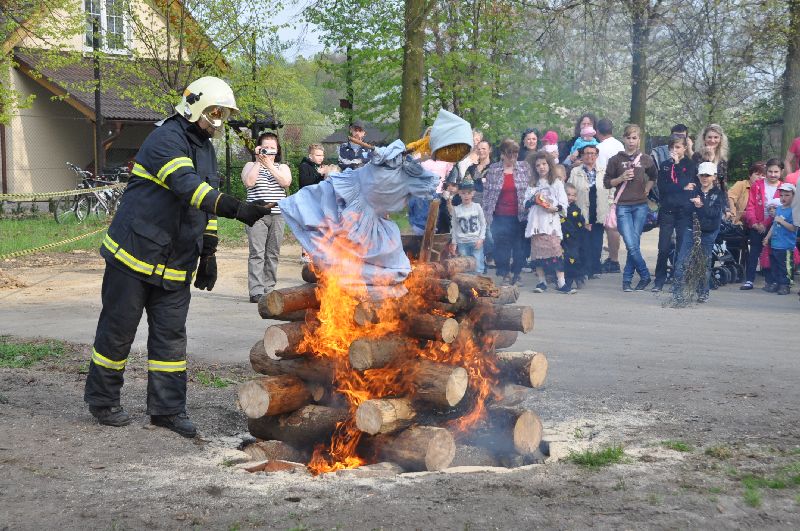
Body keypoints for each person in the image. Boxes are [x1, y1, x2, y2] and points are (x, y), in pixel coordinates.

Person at [84, 76, 272, 436]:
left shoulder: (206, 148)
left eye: (223, 114)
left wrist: (210, 251)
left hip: (176, 261)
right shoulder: (164, 139)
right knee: (117, 332)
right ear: (196, 108)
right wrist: (238, 207)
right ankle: (103, 400)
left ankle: (167, 410)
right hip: (133, 256)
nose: (219, 121)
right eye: (215, 113)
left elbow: (206, 204)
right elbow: (188, 187)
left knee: (171, 340)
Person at [604, 124, 658, 292]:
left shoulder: (646, 159)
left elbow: (654, 176)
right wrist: (621, 178)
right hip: (623, 206)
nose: (631, 141)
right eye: (628, 138)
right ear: (623, 138)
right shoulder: (615, 159)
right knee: (631, 243)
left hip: (641, 206)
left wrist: (647, 188)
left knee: (633, 243)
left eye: (635, 138)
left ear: (639, 139)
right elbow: (607, 182)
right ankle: (644, 274)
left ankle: (627, 281)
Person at [242, 132, 292, 303]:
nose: (269, 151)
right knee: (257, 253)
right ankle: (256, 291)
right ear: (258, 148)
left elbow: (285, 183)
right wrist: (258, 161)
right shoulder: (250, 164)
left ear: (277, 150)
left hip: (277, 216)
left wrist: (270, 166)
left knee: (272, 253)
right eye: (265, 147)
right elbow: (249, 182)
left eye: (272, 148)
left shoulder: (282, 167)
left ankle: (269, 289)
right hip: (256, 215)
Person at [672, 162, 724, 304]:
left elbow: (713, 214)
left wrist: (701, 206)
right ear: (698, 176)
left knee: (704, 263)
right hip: (691, 229)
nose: (705, 178)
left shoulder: (718, 194)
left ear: (714, 177)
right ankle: (677, 292)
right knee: (681, 261)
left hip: (708, 231)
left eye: (708, 175)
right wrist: (693, 203)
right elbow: (684, 210)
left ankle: (703, 291)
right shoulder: (692, 190)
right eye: (702, 175)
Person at [483, 138, 532, 285]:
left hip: (520, 214)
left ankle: (517, 273)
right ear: (503, 154)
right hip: (500, 215)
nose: (513, 157)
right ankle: (505, 274)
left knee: (520, 247)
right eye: (510, 153)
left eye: (516, 153)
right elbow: (487, 193)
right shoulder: (494, 169)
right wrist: (486, 215)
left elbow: (532, 188)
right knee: (501, 247)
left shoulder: (524, 168)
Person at [652, 135, 697, 292]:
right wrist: (681, 186)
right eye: (672, 147)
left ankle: (678, 279)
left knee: (681, 246)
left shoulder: (690, 165)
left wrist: (677, 166)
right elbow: (663, 188)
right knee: (663, 247)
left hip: (684, 211)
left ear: (684, 148)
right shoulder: (664, 165)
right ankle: (659, 279)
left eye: (678, 147)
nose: (674, 150)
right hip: (667, 210)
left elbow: (689, 183)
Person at [524, 152, 572, 293]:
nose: (541, 167)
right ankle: (541, 282)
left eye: (544, 164)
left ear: (549, 165)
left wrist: (554, 208)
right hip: (537, 224)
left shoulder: (556, 183)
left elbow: (564, 203)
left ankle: (561, 283)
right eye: (538, 165)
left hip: (551, 224)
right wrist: (534, 200)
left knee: (555, 251)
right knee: (538, 254)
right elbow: (525, 203)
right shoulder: (533, 184)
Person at [741, 158, 784, 290]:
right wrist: (754, 222)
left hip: (774, 226)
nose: (772, 174)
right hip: (756, 225)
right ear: (766, 171)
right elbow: (751, 205)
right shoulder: (757, 185)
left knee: (771, 253)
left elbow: (782, 209)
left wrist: (765, 224)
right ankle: (749, 279)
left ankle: (770, 280)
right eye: (770, 171)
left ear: (781, 172)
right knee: (754, 251)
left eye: (776, 172)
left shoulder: (783, 187)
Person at [567, 144, 610, 278]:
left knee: (597, 242)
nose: (589, 156)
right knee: (583, 242)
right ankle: (584, 269)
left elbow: (610, 190)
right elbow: (569, 189)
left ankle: (595, 268)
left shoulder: (604, 171)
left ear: (597, 156)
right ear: (582, 156)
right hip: (581, 212)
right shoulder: (575, 172)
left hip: (598, 210)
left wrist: (610, 204)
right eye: (586, 153)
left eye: (592, 153)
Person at [595, 118, 625, 273]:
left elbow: (599, 171)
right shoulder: (619, 145)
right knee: (614, 225)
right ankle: (613, 258)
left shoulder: (599, 148)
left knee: (610, 225)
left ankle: (613, 260)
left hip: (608, 189)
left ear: (597, 132)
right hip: (621, 187)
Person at [761, 183, 797, 295]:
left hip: (786, 246)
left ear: (793, 196)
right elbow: (774, 225)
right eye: (781, 195)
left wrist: (782, 221)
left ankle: (785, 285)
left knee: (785, 267)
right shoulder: (779, 209)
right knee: (775, 265)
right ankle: (776, 283)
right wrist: (767, 237)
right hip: (775, 244)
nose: (783, 198)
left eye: (787, 195)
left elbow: (793, 228)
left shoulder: (794, 211)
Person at [449, 178, 486, 274]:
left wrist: (481, 239)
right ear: (460, 193)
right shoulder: (456, 210)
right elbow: (454, 227)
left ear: (473, 193)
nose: (466, 196)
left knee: (478, 267)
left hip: (475, 241)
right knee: (465, 267)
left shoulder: (477, 207)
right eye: (464, 193)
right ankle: (468, 287)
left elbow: (483, 224)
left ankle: (479, 287)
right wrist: (454, 242)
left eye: (469, 193)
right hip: (462, 242)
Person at [466, 140, 494, 263]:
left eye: (484, 148)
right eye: (479, 148)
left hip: (488, 203)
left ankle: (491, 254)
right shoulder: (471, 168)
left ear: (489, 150)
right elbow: (467, 184)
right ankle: (479, 258)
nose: (481, 151)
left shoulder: (494, 167)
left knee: (488, 231)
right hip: (473, 202)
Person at [561, 182, 586, 291]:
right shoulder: (560, 209)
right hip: (562, 239)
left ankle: (575, 279)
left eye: (573, 195)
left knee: (573, 258)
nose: (571, 197)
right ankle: (568, 279)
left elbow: (581, 223)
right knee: (563, 259)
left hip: (574, 239)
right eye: (568, 194)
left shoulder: (576, 210)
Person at [728, 161, 765, 225]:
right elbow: (730, 196)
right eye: (757, 174)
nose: (760, 177)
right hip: (740, 221)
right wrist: (733, 212)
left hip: (759, 223)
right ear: (750, 175)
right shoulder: (741, 184)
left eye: (763, 175)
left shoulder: (765, 189)